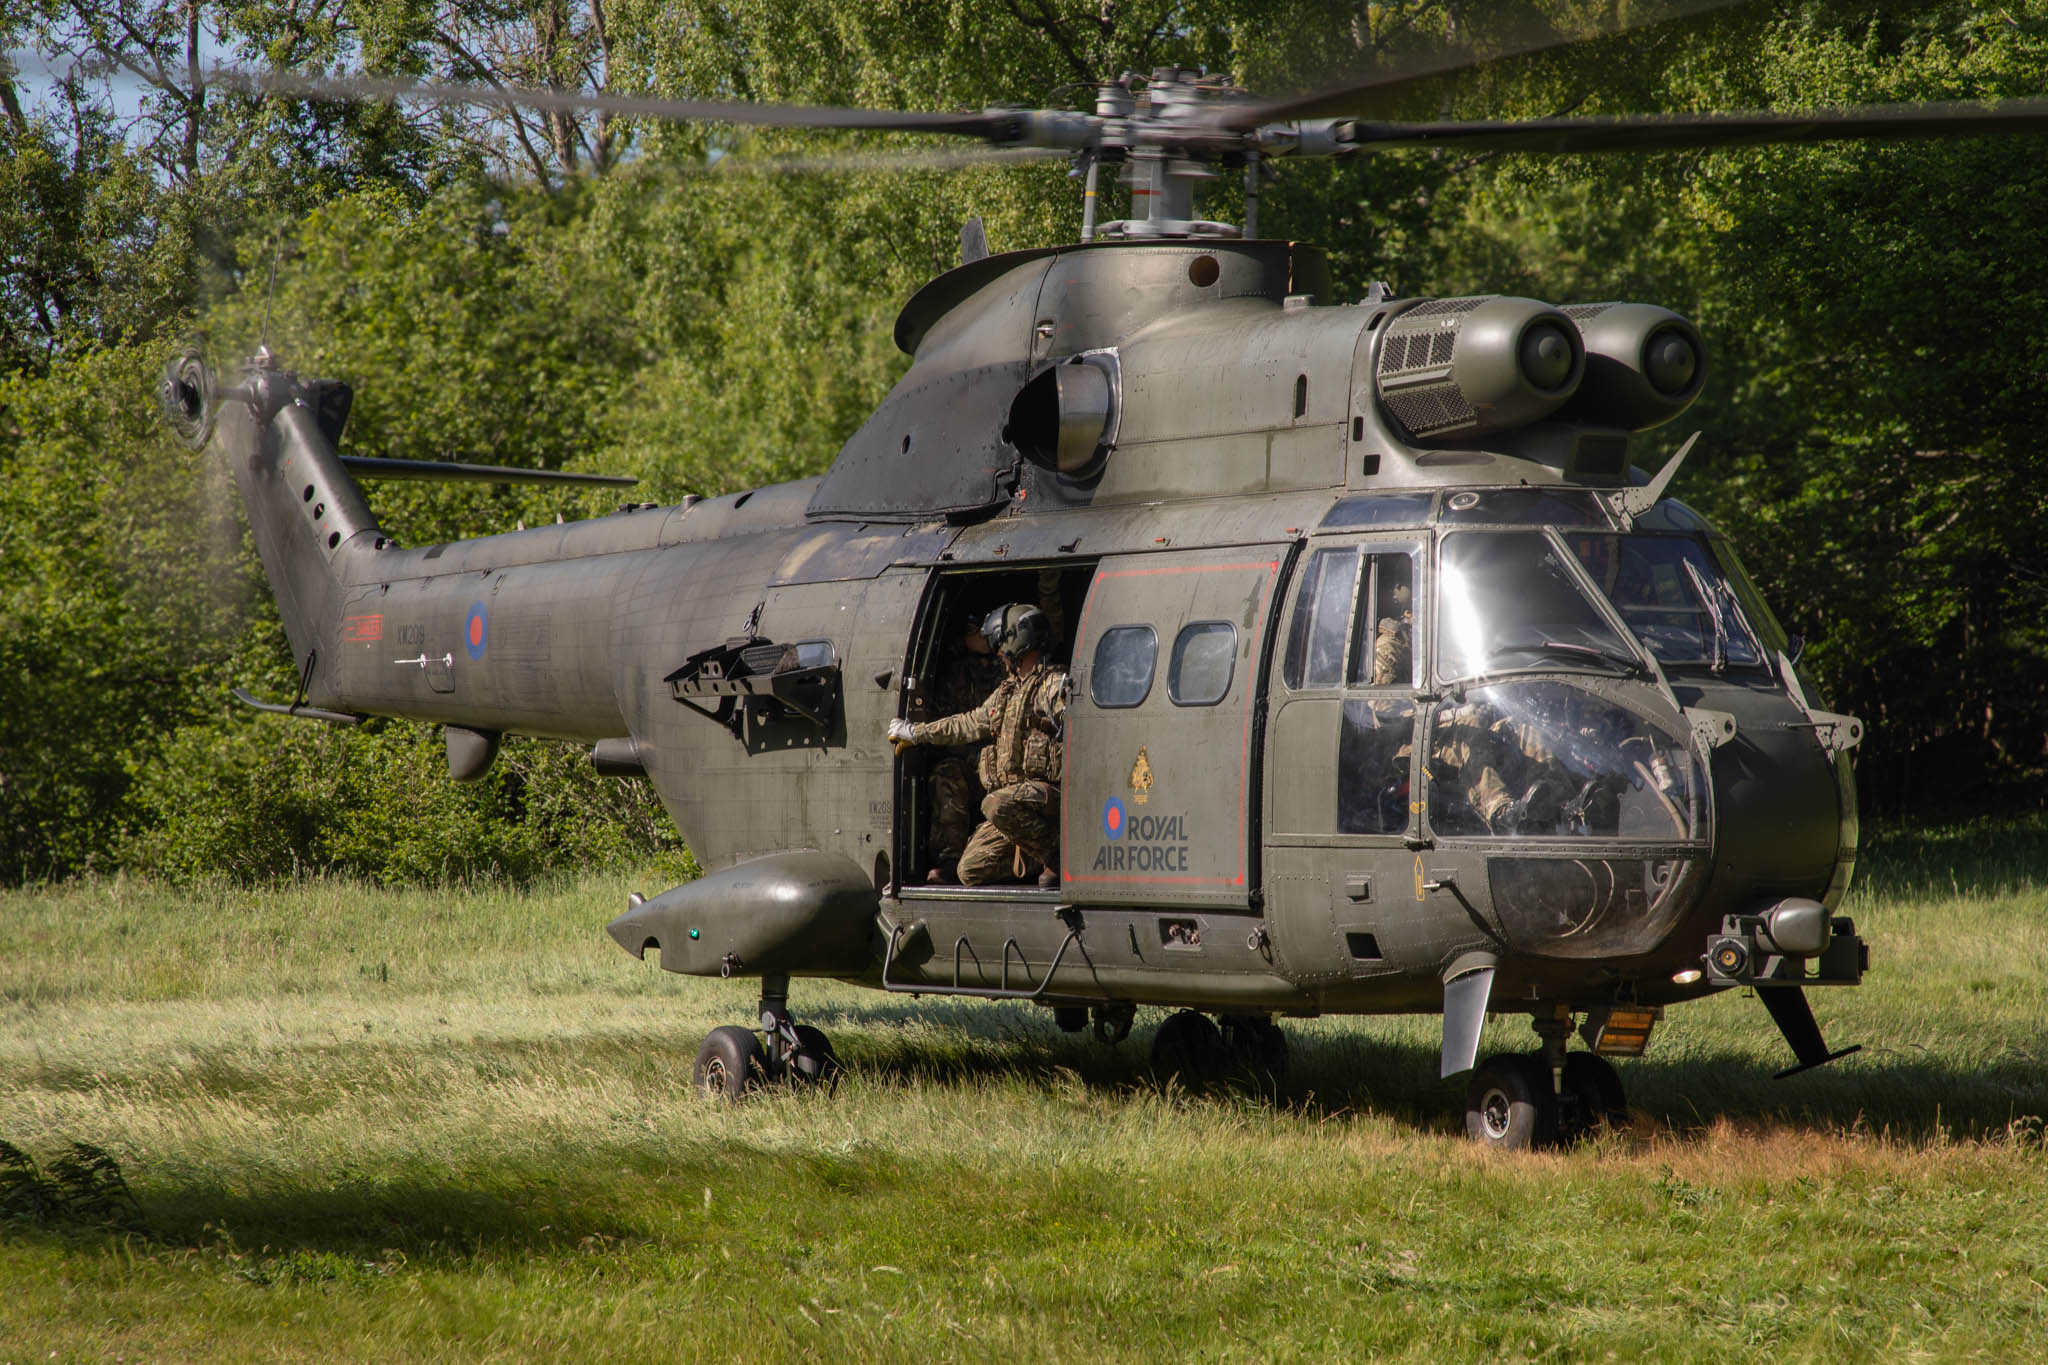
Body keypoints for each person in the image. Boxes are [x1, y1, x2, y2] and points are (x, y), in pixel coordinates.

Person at [889, 603, 1067, 888]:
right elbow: (970, 723)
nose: (997, 653)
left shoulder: (1054, 685)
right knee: (969, 871)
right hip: (1015, 807)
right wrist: (916, 732)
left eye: (999, 645)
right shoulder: (1009, 690)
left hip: (1047, 800)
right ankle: (1035, 853)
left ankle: (1060, 856)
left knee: (995, 802)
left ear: (1014, 644)